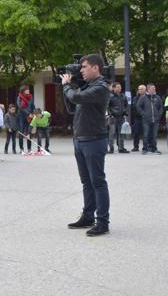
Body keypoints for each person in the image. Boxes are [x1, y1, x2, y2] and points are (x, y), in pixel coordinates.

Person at [62, 54, 112, 237]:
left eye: (84, 67)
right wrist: (69, 88)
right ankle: (88, 216)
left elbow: (75, 98)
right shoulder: (88, 87)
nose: (80, 70)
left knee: (98, 182)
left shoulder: (100, 87)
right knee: (86, 182)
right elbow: (72, 107)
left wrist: (67, 86)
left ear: (96, 68)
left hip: (94, 140)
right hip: (81, 139)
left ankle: (103, 222)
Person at [136, 83, 163, 155]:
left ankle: (154, 149)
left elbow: (161, 107)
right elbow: (138, 106)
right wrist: (143, 114)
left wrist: (159, 114)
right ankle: (145, 149)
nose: (154, 89)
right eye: (153, 88)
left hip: (156, 120)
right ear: (148, 89)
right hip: (146, 120)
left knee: (154, 135)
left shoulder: (158, 97)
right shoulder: (143, 97)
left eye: (154, 88)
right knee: (146, 135)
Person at [107, 82, 129, 154]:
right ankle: (111, 148)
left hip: (121, 117)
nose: (119, 88)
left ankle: (121, 148)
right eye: (117, 87)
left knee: (121, 133)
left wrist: (125, 113)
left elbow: (126, 105)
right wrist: (110, 114)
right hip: (113, 117)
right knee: (112, 133)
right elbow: (107, 106)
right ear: (113, 88)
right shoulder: (110, 96)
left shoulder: (123, 96)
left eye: (120, 87)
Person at [16, 86, 35, 153]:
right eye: (26, 89)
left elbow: (33, 106)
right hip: (21, 116)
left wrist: (33, 113)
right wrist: (28, 113)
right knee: (21, 132)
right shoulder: (19, 97)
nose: (28, 90)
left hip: (29, 116)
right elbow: (20, 107)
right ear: (23, 90)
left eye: (28, 89)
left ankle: (29, 148)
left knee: (29, 132)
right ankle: (21, 148)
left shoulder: (31, 97)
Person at [130, 84, 146, 152]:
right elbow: (133, 107)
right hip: (137, 118)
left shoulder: (147, 97)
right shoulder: (135, 98)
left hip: (145, 118)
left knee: (146, 133)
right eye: (139, 89)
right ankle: (135, 147)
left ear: (145, 90)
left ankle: (145, 147)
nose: (139, 90)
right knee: (136, 133)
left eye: (141, 89)